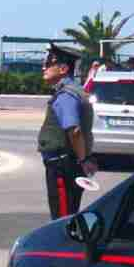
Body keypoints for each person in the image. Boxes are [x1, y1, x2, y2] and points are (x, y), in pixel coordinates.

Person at [40, 43, 97, 219]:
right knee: (66, 213)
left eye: (49, 62)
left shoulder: (66, 95)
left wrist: (84, 159)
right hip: (65, 164)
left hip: (62, 166)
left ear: (63, 68)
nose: (44, 67)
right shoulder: (73, 91)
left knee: (63, 220)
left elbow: (74, 131)